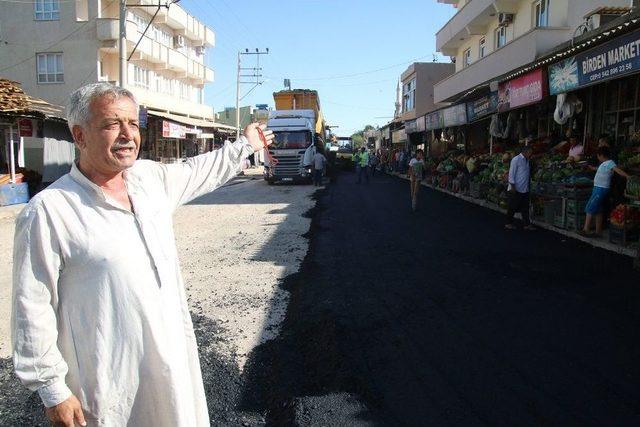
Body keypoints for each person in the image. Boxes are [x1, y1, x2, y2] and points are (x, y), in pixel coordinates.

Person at [11, 83, 274, 426]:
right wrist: (52, 389)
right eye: (111, 124)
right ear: (79, 135)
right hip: (106, 386)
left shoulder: (150, 181)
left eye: (133, 124)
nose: (127, 135)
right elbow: (31, 306)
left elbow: (201, 170)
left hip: (172, 372)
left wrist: (245, 145)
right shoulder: (49, 211)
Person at [580, 146, 630, 237]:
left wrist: (627, 176)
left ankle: (586, 229)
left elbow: (617, 170)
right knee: (598, 210)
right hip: (598, 188)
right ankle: (598, 231)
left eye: (598, 156)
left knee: (589, 208)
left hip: (601, 189)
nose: (598, 158)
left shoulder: (610, 163)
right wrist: (591, 168)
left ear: (601, 155)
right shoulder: (604, 164)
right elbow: (599, 170)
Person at [505, 145, 535, 230]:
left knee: (525, 208)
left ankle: (527, 224)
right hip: (516, 188)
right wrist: (513, 187)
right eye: (530, 152)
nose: (531, 154)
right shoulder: (516, 160)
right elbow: (511, 174)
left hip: (525, 188)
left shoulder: (527, 160)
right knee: (512, 207)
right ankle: (508, 223)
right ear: (525, 152)